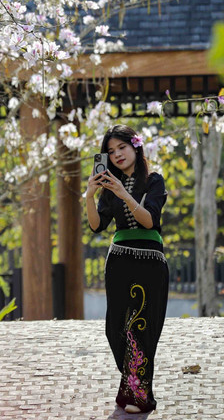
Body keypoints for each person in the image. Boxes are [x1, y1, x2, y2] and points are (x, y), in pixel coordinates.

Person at [85, 125, 169, 414]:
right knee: (116, 328)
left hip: (149, 262)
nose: (117, 154)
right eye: (110, 151)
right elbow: (97, 226)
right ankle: (132, 386)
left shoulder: (154, 181)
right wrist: (89, 195)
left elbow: (148, 220)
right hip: (119, 260)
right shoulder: (109, 188)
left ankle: (138, 394)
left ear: (136, 147)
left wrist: (124, 194)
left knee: (142, 328)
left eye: (122, 147)